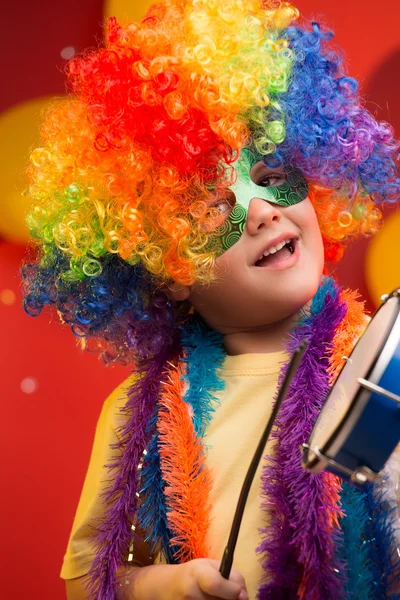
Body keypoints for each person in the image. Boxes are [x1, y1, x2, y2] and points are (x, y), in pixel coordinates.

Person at [21, 1, 400, 599]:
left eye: (272, 174)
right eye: (211, 208)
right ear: (165, 263)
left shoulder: (388, 365)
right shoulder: (140, 413)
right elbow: (89, 579)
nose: (261, 211)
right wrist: (169, 586)